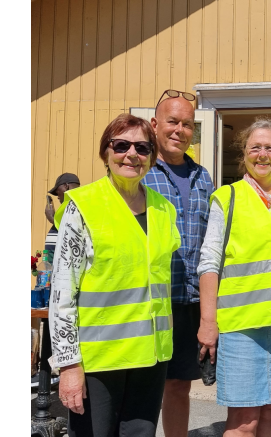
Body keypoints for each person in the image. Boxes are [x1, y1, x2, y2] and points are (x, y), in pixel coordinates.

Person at [50, 114, 181, 436]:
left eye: (142, 147)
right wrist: (68, 365)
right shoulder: (82, 206)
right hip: (98, 361)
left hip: (150, 358)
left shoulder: (164, 210)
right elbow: (62, 293)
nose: (131, 154)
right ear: (105, 153)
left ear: (151, 156)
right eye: (121, 145)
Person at [197, 116, 271, 437]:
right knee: (244, 421)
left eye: (270, 148)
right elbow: (209, 264)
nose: (262, 154)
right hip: (241, 327)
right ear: (244, 154)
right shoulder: (228, 198)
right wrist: (208, 323)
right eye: (255, 147)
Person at [142, 89, 214, 437]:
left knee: (179, 386)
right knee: (141, 385)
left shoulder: (204, 178)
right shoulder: (138, 171)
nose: (180, 130)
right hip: (149, 301)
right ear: (155, 124)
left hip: (189, 301)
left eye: (187, 124)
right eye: (173, 122)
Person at [44, 173, 81, 259]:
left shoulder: (78, 204)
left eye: (57, 191)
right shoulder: (69, 205)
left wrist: (51, 218)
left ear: (65, 186)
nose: (57, 196)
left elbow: (73, 231)